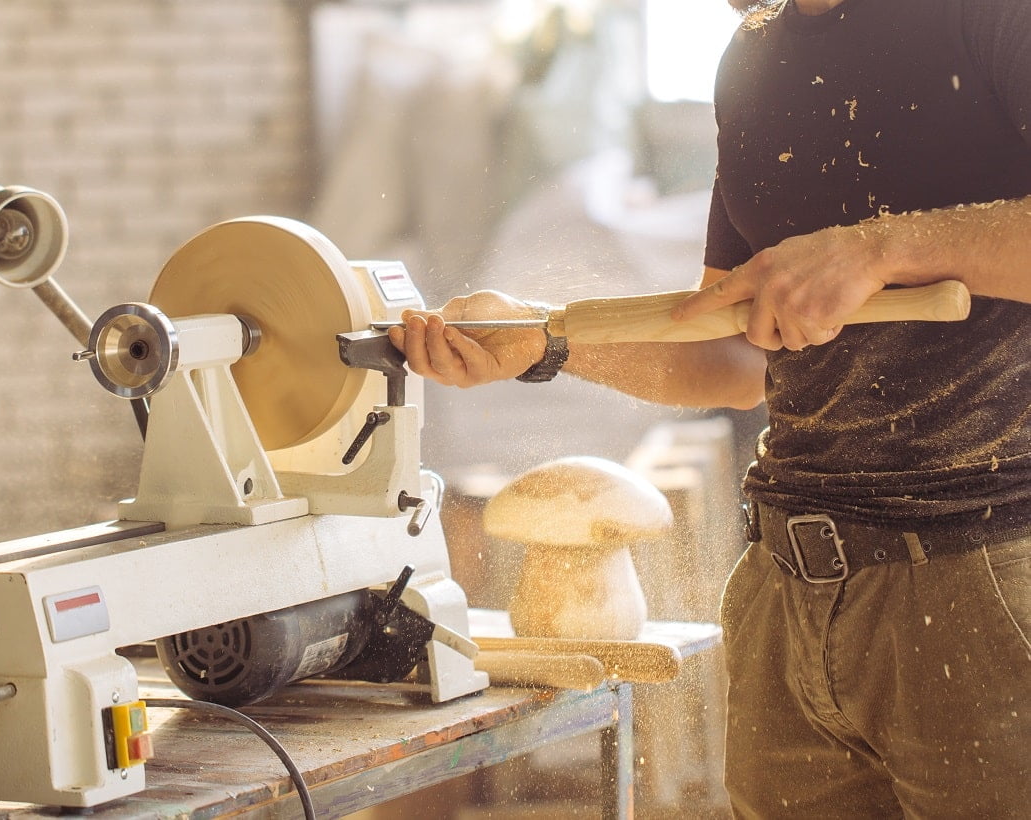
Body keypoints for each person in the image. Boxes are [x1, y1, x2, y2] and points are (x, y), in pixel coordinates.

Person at [389, 0, 1031, 816]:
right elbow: (731, 358)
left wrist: (881, 248)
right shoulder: (754, 58)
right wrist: (543, 340)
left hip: (983, 575)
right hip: (784, 591)